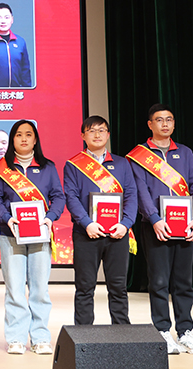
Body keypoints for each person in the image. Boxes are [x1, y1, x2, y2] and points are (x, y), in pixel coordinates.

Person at [127, 104, 193, 355]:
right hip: (156, 227)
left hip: (186, 226)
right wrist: (154, 218)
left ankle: (185, 332)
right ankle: (162, 330)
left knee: (184, 282)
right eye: (159, 120)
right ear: (150, 124)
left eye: (169, 119)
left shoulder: (185, 152)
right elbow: (140, 191)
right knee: (159, 281)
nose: (165, 124)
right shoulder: (138, 155)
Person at [0, 120, 64, 354]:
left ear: (35, 139)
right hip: (10, 235)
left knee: (40, 289)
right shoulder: (2, 168)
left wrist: (50, 218)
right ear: (13, 139)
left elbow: (58, 197)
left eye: (28, 134)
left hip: (40, 235)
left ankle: (40, 337)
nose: (23, 138)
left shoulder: (48, 167)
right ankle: (16, 338)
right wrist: (7, 218)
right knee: (15, 288)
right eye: (18, 134)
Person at [62, 116, 137, 327]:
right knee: (85, 287)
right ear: (83, 135)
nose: (97, 134)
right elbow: (71, 197)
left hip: (117, 233)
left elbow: (131, 194)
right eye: (92, 130)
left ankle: (122, 333)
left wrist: (125, 223)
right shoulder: (73, 165)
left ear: (108, 134)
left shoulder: (122, 163)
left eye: (102, 130)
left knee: (118, 287)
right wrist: (87, 223)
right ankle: (84, 335)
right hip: (86, 233)